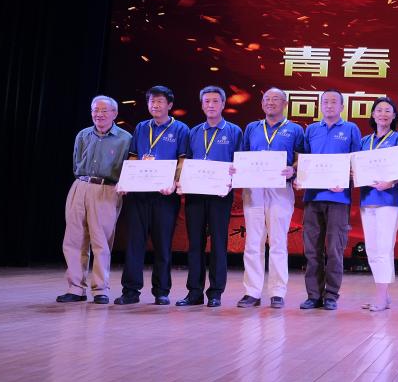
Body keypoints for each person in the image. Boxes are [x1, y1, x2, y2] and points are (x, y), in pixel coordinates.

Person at [115, 85, 190, 306]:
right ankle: (130, 291)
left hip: (165, 195)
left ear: (170, 105)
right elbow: (133, 156)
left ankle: (161, 291)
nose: (155, 105)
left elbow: (182, 160)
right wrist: (126, 180)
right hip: (139, 193)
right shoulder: (141, 127)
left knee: (163, 244)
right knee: (134, 243)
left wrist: (174, 182)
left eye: (159, 101)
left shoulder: (181, 129)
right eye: (151, 101)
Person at [56, 95, 132, 304]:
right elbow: (76, 162)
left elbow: (129, 166)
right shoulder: (83, 134)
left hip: (106, 188)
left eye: (104, 110)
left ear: (114, 113)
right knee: (73, 239)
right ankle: (75, 288)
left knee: (101, 241)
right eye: (95, 110)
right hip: (80, 185)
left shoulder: (125, 138)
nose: (99, 114)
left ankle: (100, 289)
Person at [176, 86, 242, 308]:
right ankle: (194, 292)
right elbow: (186, 162)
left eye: (215, 101)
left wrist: (235, 171)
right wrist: (181, 180)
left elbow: (241, 162)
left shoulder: (234, 131)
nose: (211, 105)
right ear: (202, 105)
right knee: (195, 243)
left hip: (220, 195)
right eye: (207, 101)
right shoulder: (194, 132)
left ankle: (215, 292)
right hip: (195, 194)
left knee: (219, 244)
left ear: (223, 104)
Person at [237, 88, 304, 309]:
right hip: (254, 188)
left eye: (276, 99)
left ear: (285, 103)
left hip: (280, 188)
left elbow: (301, 159)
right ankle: (252, 292)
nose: (270, 102)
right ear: (261, 103)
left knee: (278, 241)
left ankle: (277, 292)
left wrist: (293, 169)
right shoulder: (252, 128)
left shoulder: (295, 129)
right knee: (253, 241)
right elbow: (243, 156)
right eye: (266, 99)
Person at [298, 89, 361, 311]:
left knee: (335, 249)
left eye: (334, 102)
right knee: (312, 249)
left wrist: (347, 178)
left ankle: (331, 295)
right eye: (325, 101)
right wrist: (300, 177)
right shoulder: (312, 130)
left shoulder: (351, 129)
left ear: (342, 106)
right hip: (313, 197)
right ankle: (313, 295)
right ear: (320, 105)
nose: (329, 105)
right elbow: (304, 160)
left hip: (339, 198)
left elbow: (357, 162)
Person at [357, 97, 398, 312]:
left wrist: (392, 182)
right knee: (371, 249)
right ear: (373, 114)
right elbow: (357, 167)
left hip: (389, 200)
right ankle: (384, 297)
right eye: (379, 110)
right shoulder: (364, 141)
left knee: (384, 248)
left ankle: (381, 295)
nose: (383, 114)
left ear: (394, 116)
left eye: (388, 111)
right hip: (367, 198)